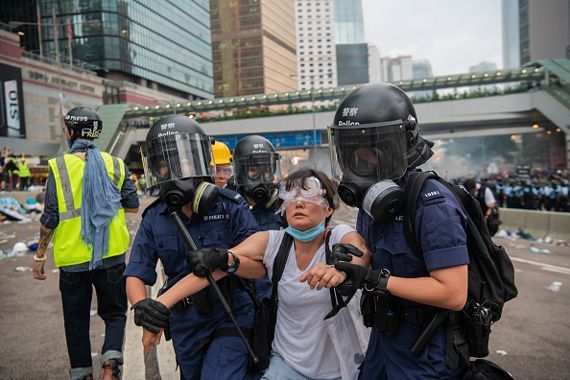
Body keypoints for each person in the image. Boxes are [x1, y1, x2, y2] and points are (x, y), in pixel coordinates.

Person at [142, 168, 371, 380]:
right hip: (286, 366)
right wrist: (160, 306)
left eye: (310, 195)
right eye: (291, 196)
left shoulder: (338, 236)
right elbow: (218, 265)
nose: (299, 202)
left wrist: (342, 269)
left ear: (328, 209)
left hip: (339, 369)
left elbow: (358, 250)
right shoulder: (273, 242)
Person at [328, 82, 469, 379]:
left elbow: (453, 293)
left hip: (425, 347)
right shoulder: (376, 200)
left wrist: (375, 279)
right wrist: (353, 259)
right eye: (352, 148)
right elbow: (369, 253)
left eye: (370, 148)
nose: (361, 159)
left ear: (400, 143)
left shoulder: (431, 203)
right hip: (384, 335)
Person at [124, 115, 259, 380]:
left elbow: (259, 266)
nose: (174, 171)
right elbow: (136, 272)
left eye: (184, 160)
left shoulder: (230, 206)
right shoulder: (155, 217)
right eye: (164, 164)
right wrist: (144, 308)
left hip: (230, 313)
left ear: (200, 161)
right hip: (185, 322)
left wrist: (225, 259)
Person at [32, 107, 139, 380]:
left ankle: (82, 374)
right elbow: (132, 205)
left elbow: (50, 218)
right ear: (97, 133)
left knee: (76, 322)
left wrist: (40, 256)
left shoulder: (58, 167)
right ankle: (111, 362)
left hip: (72, 260)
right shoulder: (115, 164)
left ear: (69, 132)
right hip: (111, 255)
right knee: (115, 314)